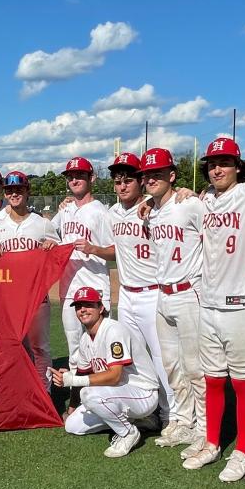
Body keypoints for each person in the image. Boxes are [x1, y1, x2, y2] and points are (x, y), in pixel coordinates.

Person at [186, 137, 245, 479]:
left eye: (225, 163)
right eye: (212, 164)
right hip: (210, 303)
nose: (217, 169)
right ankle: (213, 443)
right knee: (213, 378)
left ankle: (244, 450)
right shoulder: (204, 200)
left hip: (241, 304)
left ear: (238, 167)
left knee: (242, 380)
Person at [139, 148, 206, 454]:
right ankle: (182, 420)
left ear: (172, 175)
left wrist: (197, 194)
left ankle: (205, 428)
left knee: (195, 366)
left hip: (189, 291)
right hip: (162, 293)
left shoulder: (190, 203)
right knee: (172, 365)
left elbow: (215, 231)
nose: (150, 179)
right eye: (146, 175)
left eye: (157, 173)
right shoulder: (150, 211)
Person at [105, 152, 174, 426]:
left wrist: (183, 190)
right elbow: (115, 250)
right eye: (118, 181)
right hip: (126, 294)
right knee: (134, 359)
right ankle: (148, 411)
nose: (123, 186)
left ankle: (172, 414)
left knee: (161, 357)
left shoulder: (153, 208)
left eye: (128, 180)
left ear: (141, 181)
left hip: (151, 291)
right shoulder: (112, 213)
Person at [49, 287, 160, 458]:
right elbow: (81, 372)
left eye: (88, 305)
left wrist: (73, 381)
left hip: (142, 392)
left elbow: (114, 376)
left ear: (100, 308)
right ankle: (139, 421)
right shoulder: (86, 339)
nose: (83, 310)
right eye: (79, 306)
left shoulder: (113, 330)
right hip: (117, 394)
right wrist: (71, 408)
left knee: (89, 394)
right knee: (73, 426)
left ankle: (128, 433)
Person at [0, 171, 60, 386]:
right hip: (10, 299)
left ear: (27, 191)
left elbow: (58, 255)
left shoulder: (43, 224)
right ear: (5, 193)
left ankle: (44, 395)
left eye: (19, 189)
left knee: (40, 348)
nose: (14, 193)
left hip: (37, 297)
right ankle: (21, 393)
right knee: (15, 346)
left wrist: (52, 247)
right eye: (10, 190)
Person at [51, 156, 114, 363]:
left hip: (95, 286)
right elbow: (48, 235)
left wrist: (93, 248)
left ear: (92, 178)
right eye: (71, 176)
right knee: (74, 345)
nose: (75, 180)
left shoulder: (101, 212)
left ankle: (103, 391)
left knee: (101, 345)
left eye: (80, 175)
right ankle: (77, 390)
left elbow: (116, 251)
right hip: (69, 288)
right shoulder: (65, 210)